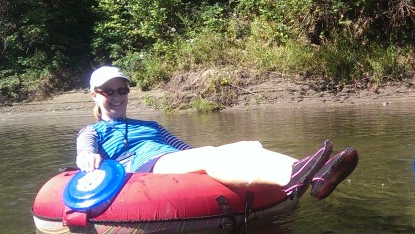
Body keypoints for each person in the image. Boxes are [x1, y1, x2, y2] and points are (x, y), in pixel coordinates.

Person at [76, 66, 358, 200]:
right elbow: (85, 151)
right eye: (108, 91)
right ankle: (290, 177)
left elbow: (185, 150)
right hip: (142, 166)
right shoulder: (93, 130)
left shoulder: (151, 126)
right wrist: (87, 158)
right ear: (94, 95)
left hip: (170, 160)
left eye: (122, 90)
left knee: (249, 147)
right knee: (211, 155)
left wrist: (234, 149)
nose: (117, 96)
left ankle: (317, 174)